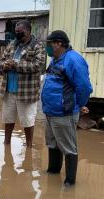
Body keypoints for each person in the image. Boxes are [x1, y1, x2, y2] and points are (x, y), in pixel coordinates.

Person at [41, 30, 93, 186]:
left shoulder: (73, 60)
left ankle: (70, 182)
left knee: (68, 147)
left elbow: (84, 87)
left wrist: (81, 104)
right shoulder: (55, 59)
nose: (47, 47)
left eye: (49, 44)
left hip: (64, 113)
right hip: (50, 112)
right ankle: (53, 171)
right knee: (53, 143)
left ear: (58, 44)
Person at [0, 20, 45, 147]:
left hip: (26, 92)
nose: (17, 34)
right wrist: (5, 65)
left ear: (28, 31)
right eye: (16, 32)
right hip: (8, 90)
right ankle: (6, 143)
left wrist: (16, 65)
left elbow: (38, 65)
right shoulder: (12, 44)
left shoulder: (37, 46)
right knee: (8, 119)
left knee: (27, 120)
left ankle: (29, 146)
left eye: (20, 32)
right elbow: (1, 61)